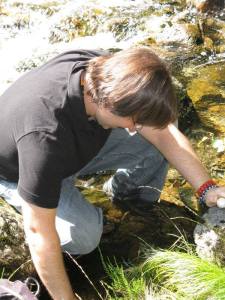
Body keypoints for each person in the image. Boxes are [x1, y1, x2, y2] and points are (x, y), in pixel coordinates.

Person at [0, 47, 224, 300]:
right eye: (133, 120)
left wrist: (207, 189)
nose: (135, 128)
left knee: (160, 127)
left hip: (69, 150)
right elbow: (39, 231)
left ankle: (126, 197)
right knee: (85, 237)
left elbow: (163, 133)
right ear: (108, 103)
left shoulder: (103, 68)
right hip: (17, 171)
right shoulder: (43, 135)